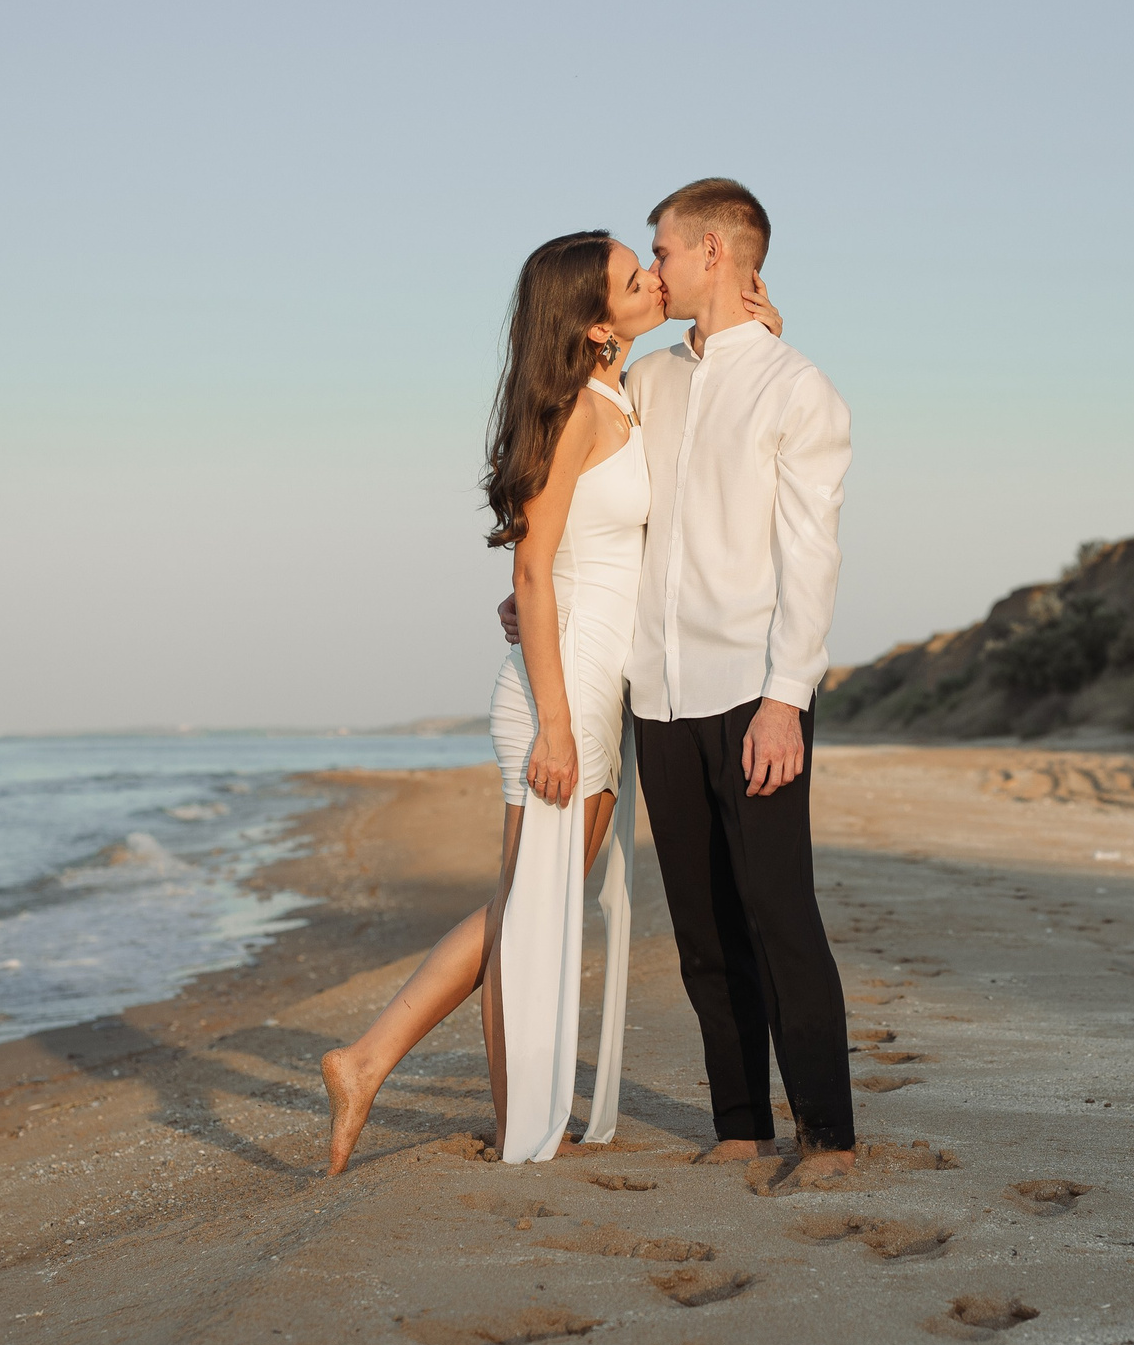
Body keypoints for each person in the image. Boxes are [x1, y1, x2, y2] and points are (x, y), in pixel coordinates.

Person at [319, 227, 781, 1173]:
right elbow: (533, 567)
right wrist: (560, 722)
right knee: (526, 911)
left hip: (591, 681)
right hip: (559, 693)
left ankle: (438, 1087)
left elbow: (576, 550)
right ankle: (401, 1073)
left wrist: (759, 327)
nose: (652, 279)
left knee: (525, 906)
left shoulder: (619, 394)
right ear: (593, 317)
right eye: (631, 275)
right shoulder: (578, 410)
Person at [506, 178, 855, 1184]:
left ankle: (826, 1133)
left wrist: (788, 695)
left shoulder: (798, 388)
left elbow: (811, 555)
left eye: (659, 251)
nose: (651, 271)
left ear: (711, 249)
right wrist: (540, 588)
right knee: (700, 925)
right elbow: (590, 501)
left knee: (779, 913)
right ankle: (741, 1122)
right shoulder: (650, 381)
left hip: (753, 691)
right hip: (656, 693)